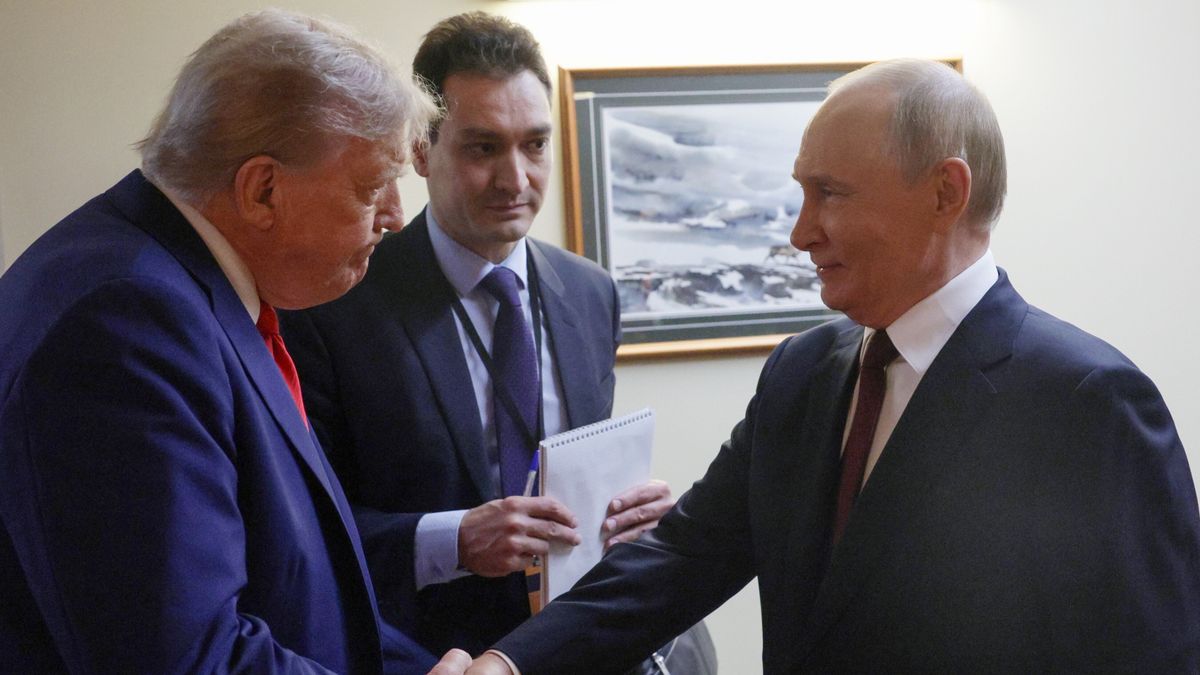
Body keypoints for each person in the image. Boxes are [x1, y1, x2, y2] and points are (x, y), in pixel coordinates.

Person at [428, 58, 1200, 674]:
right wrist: (509, 661)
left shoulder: (1085, 401)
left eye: (828, 194)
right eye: (801, 194)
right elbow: (685, 555)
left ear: (945, 191)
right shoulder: (803, 369)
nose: (799, 233)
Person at [0, 9, 438, 673]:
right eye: (374, 185)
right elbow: (183, 658)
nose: (396, 218)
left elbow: (304, 599)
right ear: (262, 190)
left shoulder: (174, 286)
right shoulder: (126, 323)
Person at [278, 11, 684, 660]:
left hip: (575, 648)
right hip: (424, 656)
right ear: (419, 150)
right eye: (483, 147)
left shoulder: (591, 293)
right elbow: (299, 531)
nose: (516, 179)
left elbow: (577, 474)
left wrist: (627, 513)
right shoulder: (333, 304)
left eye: (535, 144)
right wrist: (451, 540)